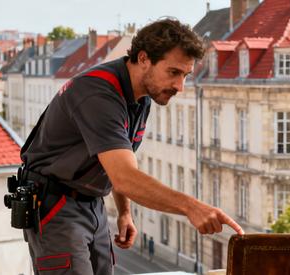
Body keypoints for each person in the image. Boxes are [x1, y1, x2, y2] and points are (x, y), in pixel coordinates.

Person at [19, 18, 244, 275]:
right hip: (56, 204)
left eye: (185, 75)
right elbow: (124, 177)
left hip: (92, 203)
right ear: (144, 58)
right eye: (173, 72)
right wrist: (191, 207)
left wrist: (124, 212)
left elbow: (120, 162)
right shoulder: (98, 93)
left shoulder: (142, 97)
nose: (180, 87)